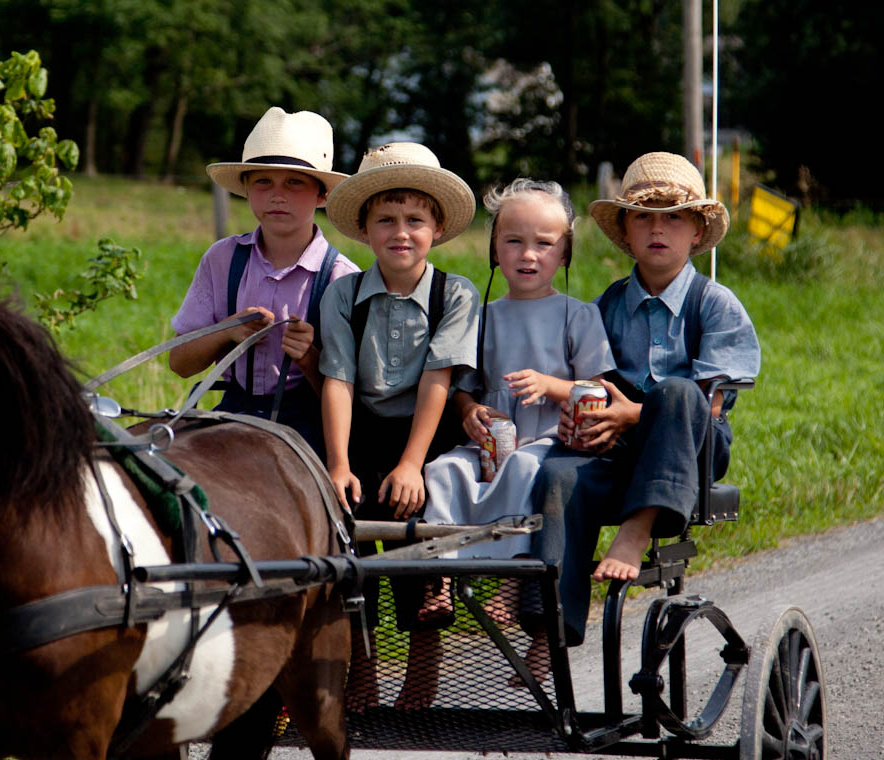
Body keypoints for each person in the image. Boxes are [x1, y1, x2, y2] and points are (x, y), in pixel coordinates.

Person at [530, 152, 760, 648]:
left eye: (673, 218)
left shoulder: (713, 303)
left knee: (677, 392)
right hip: (616, 450)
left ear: (697, 232)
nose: (659, 229)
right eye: (644, 218)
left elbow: (711, 405)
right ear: (627, 234)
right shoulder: (609, 304)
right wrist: (583, 412)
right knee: (558, 474)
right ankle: (550, 624)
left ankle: (638, 527)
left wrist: (633, 413)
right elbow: (584, 378)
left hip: (692, 450)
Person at [421, 179, 615, 681]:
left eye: (544, 244)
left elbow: (596, 386)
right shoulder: (483, 318)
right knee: (441, 472)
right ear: (494, 249)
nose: (528, 255)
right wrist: (467, 411)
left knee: (527, 471)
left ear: (565, 253)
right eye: (513, 241)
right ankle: (439, 576)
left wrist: (552, 385)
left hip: (550, 438)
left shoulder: (579, 315)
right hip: (491, 438)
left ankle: (510, 583)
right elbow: (464, 384)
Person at [319, 142, 480, 711]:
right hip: (358, 431)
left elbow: (440, 378)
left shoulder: (454, 293)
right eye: (385, 219)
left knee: (413, 534)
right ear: (364, 229)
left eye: (415, 219)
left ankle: (420, 684)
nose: (401, 232)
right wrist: (338, 463)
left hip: (427, 433)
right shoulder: (343, 295)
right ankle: (359, 678)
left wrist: (412, 463)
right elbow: (336, 379)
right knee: (348, 543)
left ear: (436, 227)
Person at [169, 107, 358, 455]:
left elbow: (351, 397)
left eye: (294, 182)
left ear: (322, 195)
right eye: (263, 182)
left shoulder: (341, 278)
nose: (277, 195)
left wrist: (308, 357)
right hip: (232, 412)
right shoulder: (222, 259)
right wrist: (225, 331)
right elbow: (180, 363)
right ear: (246, 189)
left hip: (309, 428)